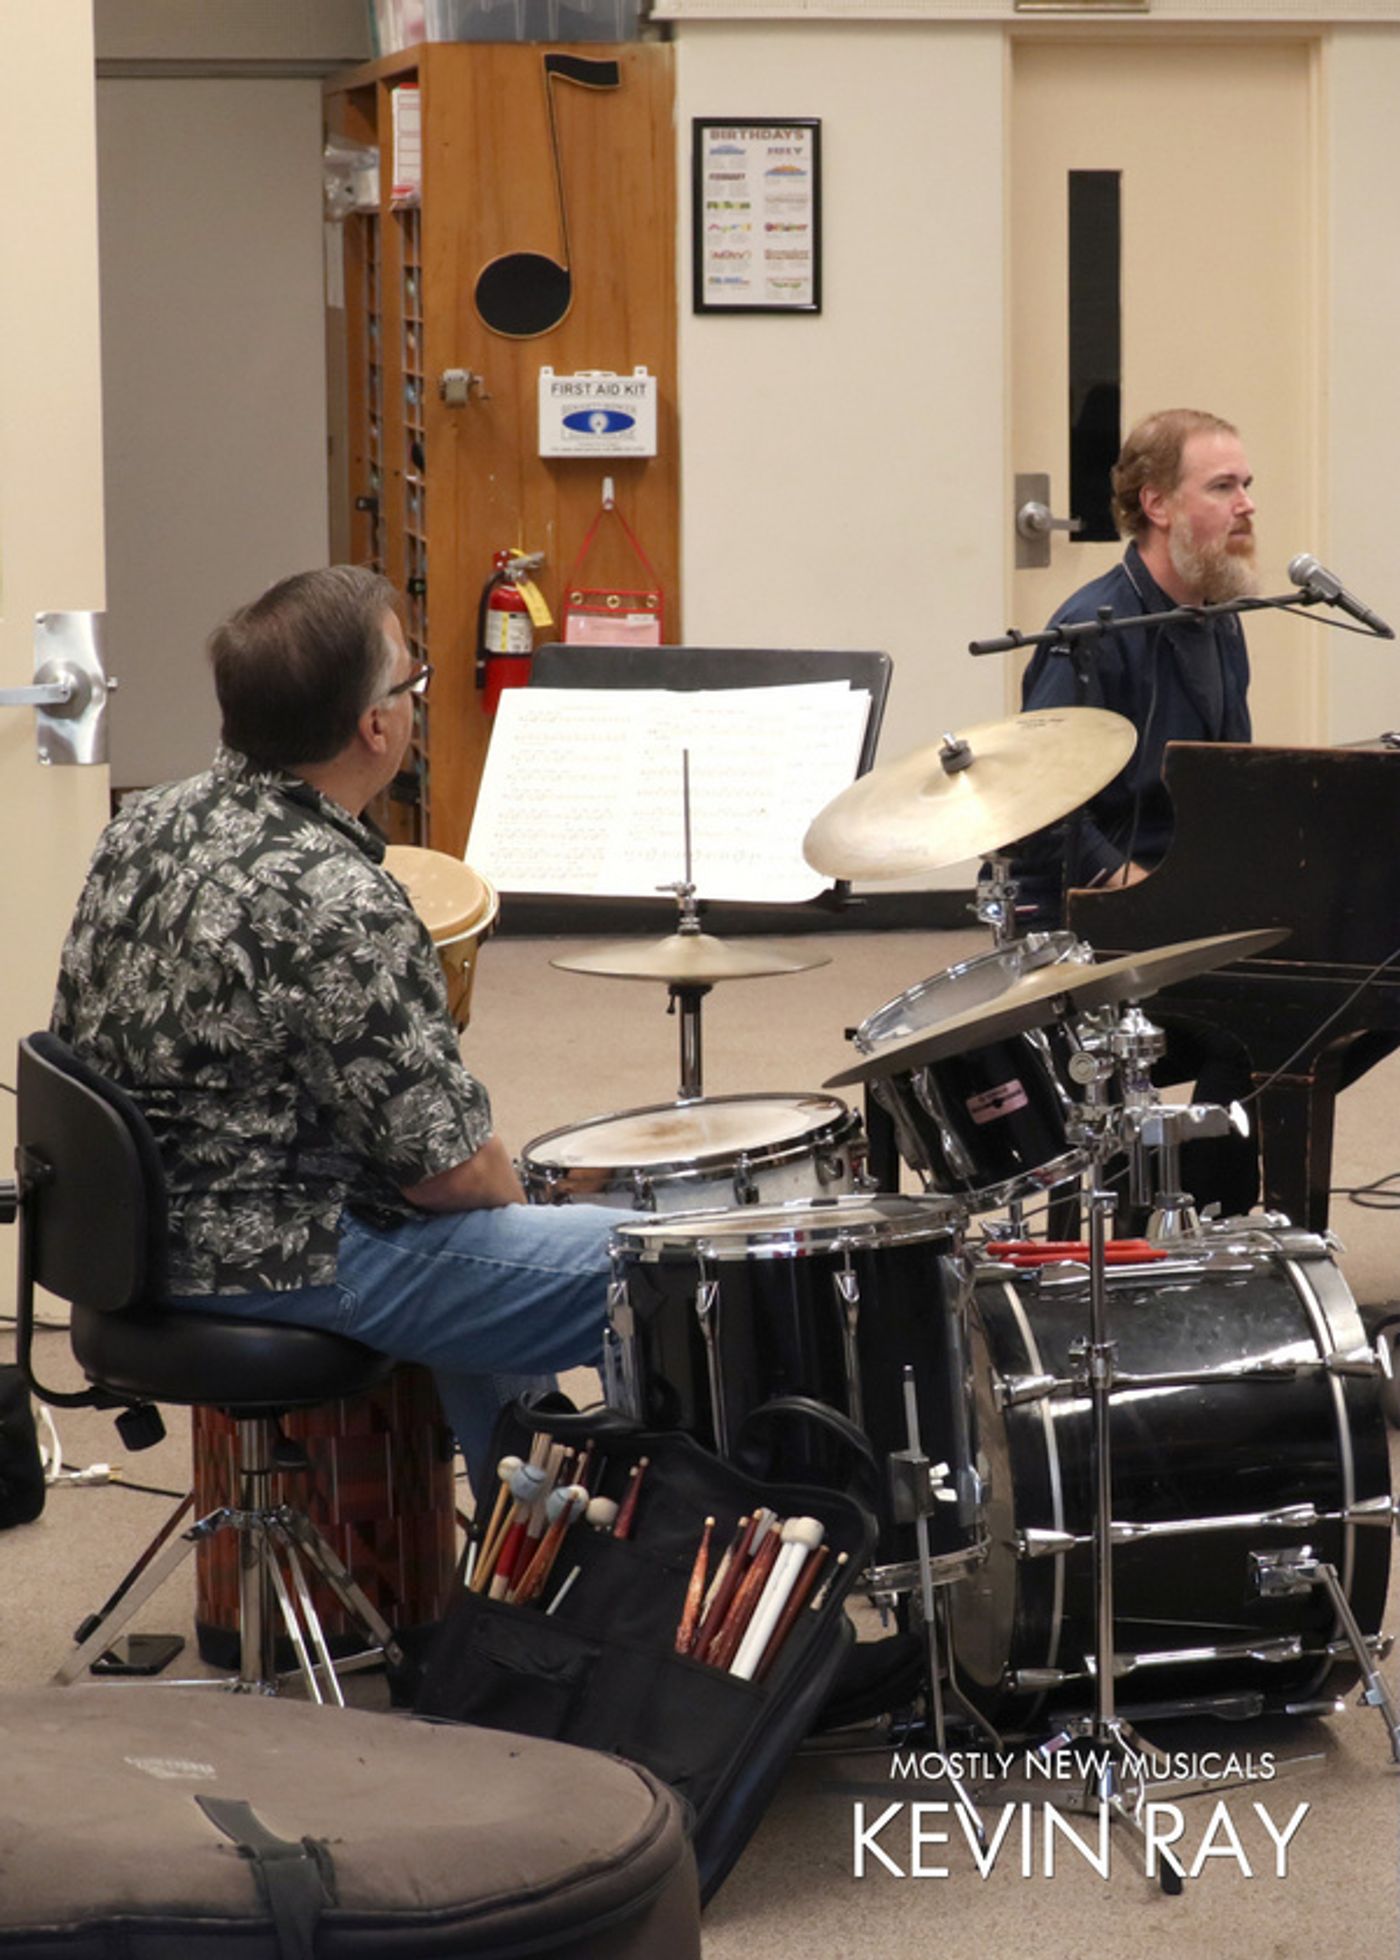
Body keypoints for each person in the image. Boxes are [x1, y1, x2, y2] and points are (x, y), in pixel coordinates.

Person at [51, 565, 616, 1498]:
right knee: (655, 1267)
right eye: (411, 682)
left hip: (129, 1241)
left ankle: (538, 1571)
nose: (413, 701)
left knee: (496, 1250)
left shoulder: (142, 823)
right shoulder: (338, 897)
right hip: (277, 1258)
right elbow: (451, 1175)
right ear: (375, 725)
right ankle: (611, 1578)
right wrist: (525, 1214)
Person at [1015, 409, 1260, 1213]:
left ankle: (1198, 1210)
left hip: (1188, 907)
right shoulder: (1089, 630)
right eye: (1222, 486)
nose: (1246, 504)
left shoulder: (1220, 618)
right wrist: (1121, 876)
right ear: (1157, 505)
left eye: (1246, 485)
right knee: (1249, 1029)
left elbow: (1229, 786)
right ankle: (1183, 1218)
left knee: (1341, 994)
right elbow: (1036, 804)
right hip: (1102, 921)